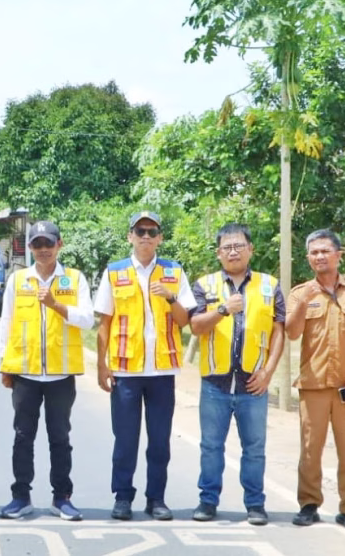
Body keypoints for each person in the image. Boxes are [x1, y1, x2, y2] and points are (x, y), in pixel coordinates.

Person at [94, 211, 194, 521]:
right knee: (125, 440)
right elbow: (104, 324)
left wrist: (170, 297)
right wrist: (101, 365)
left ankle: (156, 498)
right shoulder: (115, 272)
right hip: (126, 371)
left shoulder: (174, 272)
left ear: (160, 238)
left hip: (162, 371)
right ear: (130, 236)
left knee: (160, 440)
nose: (146, 237)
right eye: (141, 231)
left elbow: (185, 321)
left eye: (152, 232)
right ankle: (122, 497)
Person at [0, 221, 95, 521]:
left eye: (48, 244)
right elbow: (7, 323)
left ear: (59, 245)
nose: (43, 250)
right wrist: (5, 364)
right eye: (37, 244)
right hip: (25, 373)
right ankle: (20, 496)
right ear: (30, 248)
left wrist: (56, 305)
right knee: (23, 437)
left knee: (60, 438)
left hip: (60, 375)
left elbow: (88, 320)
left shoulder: (74, 279)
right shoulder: (18, 280)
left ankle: (61, 498)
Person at [188, 222, 284, 526]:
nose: (233, 251)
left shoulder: (270, 285)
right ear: (218, 253)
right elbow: (195, 326)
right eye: (227, 247)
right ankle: (207, 501)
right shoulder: (205, 285)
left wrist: (269, 371)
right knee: (211, 446)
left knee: (254, 449)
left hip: (253, 383)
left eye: (239, 245)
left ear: (250, 249)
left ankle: (255, 504)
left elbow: (279, 331)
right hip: (215, 383)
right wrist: (223, 310)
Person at [285, 229, 345, 532]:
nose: (319, 256)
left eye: (325, 251)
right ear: (308, 258)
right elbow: (291, 332)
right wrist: (304, 302)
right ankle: (308, 504)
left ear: (339, 255)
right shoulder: (300, 292)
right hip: (312, 384)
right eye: (314, 252)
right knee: (311, 449)